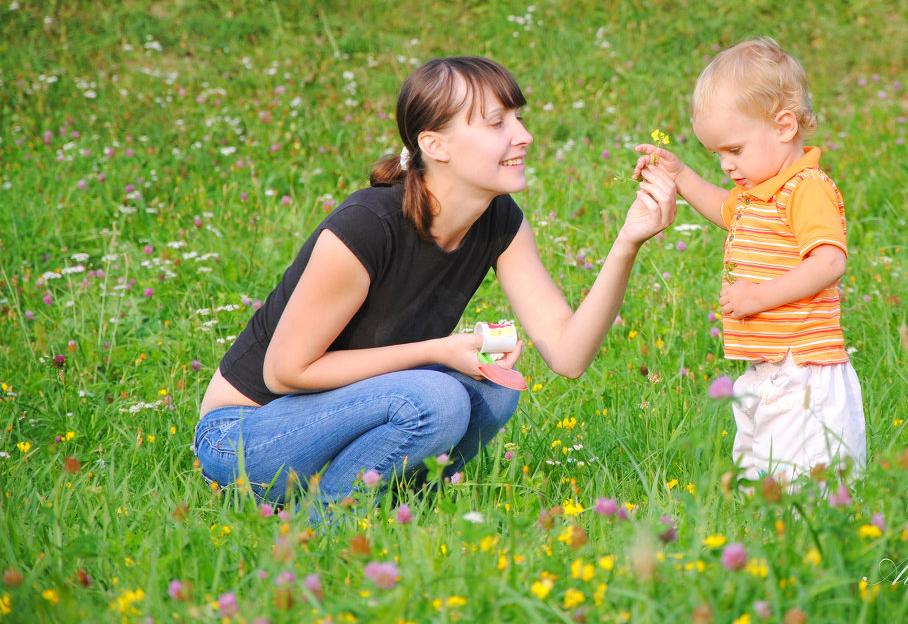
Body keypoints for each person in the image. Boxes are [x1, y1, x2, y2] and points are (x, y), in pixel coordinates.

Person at [195, 56, 677, 508]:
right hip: (243, 437)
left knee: (495, 385)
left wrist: (627, 243)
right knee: (437, 395)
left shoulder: (497, 220)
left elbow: (568, 356)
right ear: (435, 145)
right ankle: (327, 521)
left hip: (336, 416)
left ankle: (398, 506)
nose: (524, 135)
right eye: (497, 123)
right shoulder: (366, 226)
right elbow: (286, 372)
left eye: (518, 119)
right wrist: (439, 350)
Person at [634, 38, 865, 488]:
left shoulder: (806, 188)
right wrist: (680, 176)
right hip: (767, 369)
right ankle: (766, 546)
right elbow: (725, 209)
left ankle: (809, 547)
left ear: (783, 126)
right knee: (760, 477)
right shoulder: (759, 194)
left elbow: (828, 262)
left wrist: (759, 296)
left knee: (804, 482)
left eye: (734, 151)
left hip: (804, 372)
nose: (725, 166)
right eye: (716, 154)